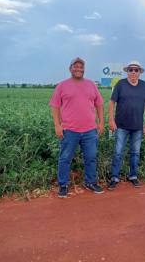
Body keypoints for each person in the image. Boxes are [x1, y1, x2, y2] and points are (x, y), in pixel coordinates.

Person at [50, 57, 105, 198]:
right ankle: (63, 185)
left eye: (81, 67)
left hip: (90, 130)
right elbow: (55, 106)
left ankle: (90, 182)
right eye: (76, 66)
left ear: (84, 69)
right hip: (69, 130)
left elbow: (99, 104)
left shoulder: (91, 85)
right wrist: (57, 125)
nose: (78, 69)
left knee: (91, 157)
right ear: (70, 69)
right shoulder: (62, 86)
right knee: (65, 158)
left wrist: (101, 123)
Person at [108, 61, 145, 190]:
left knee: (135, 152)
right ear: (127, 71)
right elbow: (112, 103)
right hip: (121, 125)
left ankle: (133, 176)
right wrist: (111, 120)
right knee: (118, 152)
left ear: (140, 72)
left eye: (136, 70)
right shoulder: (120, 84)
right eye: (131, 70)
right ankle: (114, 178)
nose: (133, 72)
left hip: (137, 127)